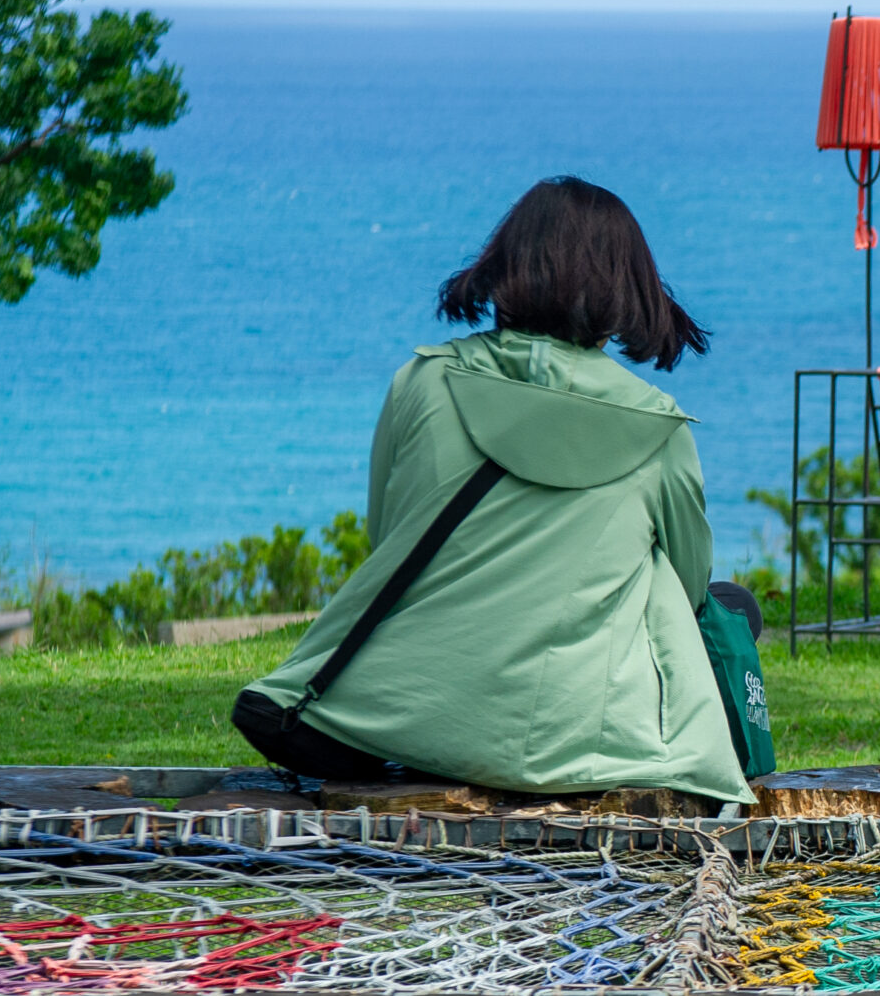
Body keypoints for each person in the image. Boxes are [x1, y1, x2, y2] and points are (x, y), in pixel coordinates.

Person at [232, 176, 753, 806]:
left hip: (400, 716)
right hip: (578, 743)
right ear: (623, 287)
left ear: (507, 265)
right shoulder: (656, 425)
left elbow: (390, 537)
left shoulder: (422, 382)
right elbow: (691, 585)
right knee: (716, 600)